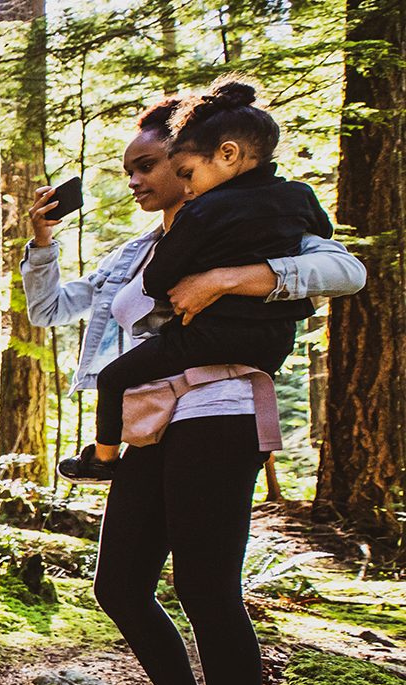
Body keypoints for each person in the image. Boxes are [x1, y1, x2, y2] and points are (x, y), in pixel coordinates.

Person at [23, 97, 365, 685]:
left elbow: (344, 270)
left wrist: (231, 279)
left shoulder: (255, 220)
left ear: (200, 166)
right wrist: (43, 242)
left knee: (207, 586)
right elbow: (56, 310)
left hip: (218, 410)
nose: (141, 179)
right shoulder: (138, 250)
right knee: (119, 584)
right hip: (153, 418)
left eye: (154, 165)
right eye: (136, 169)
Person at [60, 77, 333, 483]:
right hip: (270, 342)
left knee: (114, 376)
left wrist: (200, 278)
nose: (187, 186)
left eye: (186, 173)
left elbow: (157, 279)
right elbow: (323, 232)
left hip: (206, 345)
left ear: (227, 154)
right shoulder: (300, 195)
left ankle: (102, 458)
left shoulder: (204, 212)